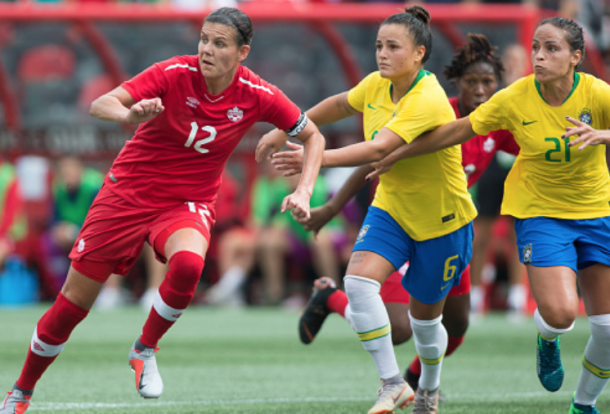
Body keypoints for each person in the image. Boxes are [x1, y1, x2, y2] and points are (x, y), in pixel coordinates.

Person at [0, 7, 325, 414]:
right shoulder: (173, 73)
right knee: (71, 306)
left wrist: (305, 191)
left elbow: (313, 136)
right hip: (128, 195)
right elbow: (102, 103)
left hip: (186, 202)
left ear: (242, 53)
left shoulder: (258, 94)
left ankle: (145, 348)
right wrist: (129, 114)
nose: (206, 49)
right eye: (204, 39)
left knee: (189, 265)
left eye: (219, 43)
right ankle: (21, 391)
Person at [365, 16, 610, 414]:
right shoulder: (514, 98)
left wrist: (605, 134)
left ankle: (583, 404)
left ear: (576, 57)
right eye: (536, 47)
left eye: (552, 49)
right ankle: (548, 339)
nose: (540, 56)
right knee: (562, 314)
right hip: (540, 212)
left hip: (598, 212)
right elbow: (458, 129)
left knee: (606, 330)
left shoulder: (598, 94)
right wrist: (393, 152)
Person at [258, 6, 476, 413]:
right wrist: (283, 128)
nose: (382, 54)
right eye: (379, 45)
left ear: (419, 54)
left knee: (425, 325)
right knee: (358, 282)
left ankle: (427, 387)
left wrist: (315, 156)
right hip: (391, 210)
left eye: (394, 47)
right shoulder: (377, 84)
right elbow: (339, 105)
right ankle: (392, 383)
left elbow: (378, 149)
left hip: (442, 222)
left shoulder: (426, 97)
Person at [293, 32, 520, 394]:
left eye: (488, 82)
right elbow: (375, 155)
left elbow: (534, 148)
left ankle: (414, 380)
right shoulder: (430, 109)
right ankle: (337, 302)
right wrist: (333, 206)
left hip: (449, 227)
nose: (480, 91)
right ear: (456, 84)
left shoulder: (493, 124)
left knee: (458, 325)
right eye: (472, 82)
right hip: (403, 221)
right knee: (400, 328)